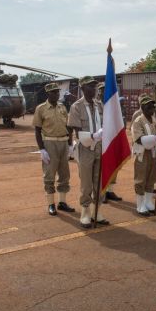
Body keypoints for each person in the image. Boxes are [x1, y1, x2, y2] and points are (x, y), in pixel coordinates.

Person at [67, 76, 109, 228]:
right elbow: (78, 134)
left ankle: (97, 211)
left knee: (99, 181)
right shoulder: (76, 107)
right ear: (83, 88)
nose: (94, 89)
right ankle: (85, 213)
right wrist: (93, 136)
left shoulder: (100, 105)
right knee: (86, 183)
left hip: (100, 147)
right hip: (85, 149)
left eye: (95, 87)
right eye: (90, 87)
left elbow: (106, 123)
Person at [32, 83, 76, 216]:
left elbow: (69, 127)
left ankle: (62, 202)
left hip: (63, 142)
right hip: (50, 143)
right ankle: (51, 204)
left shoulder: (62, 107)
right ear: (48, 94)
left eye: (57, 92)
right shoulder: (41, 109)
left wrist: (70, 144)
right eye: (54, 92)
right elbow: (37, 130)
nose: (57, 94)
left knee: (64, 174)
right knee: (49, 175)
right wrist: (42, 150)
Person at [131, 95, 156, 216]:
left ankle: (148, 202)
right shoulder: (138, 121)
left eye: (153, 106)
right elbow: (139, 139)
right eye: (148, 106)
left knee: (151, 178)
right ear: (142, 107)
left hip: (154, 153)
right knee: (141, 179)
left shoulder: (154, 121)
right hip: (142, 154)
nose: (152, 108)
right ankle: (140, 205)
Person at [96, 81, 122, 202]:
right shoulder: (95, 105)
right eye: (102, 90)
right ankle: (102, 192)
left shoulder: (113, 105)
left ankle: (110, 190)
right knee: (101, 167)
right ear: (99, 92)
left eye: (106, 90)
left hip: (111, 139)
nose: (104, 92)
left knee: (113, 165)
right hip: (99, 140)